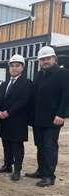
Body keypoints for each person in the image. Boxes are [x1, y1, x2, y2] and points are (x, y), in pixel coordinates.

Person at [25, 46, 69, 187]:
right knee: (40, 146)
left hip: (53, 119)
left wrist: (61, 114)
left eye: (47, 59)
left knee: (49, 147)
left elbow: (66, 96)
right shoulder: (39, 75)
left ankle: (49, 176)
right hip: (39, 118)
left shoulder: (63, 73)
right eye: (42, 59)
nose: (45, 61)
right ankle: (41, 171)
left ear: (54, 59)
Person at [0, 54, 34, 181]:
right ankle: (7, 165)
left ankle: (17, 170)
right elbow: (0, 99)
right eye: (12, 66)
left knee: (17, 146)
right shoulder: (5, 84)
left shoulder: (26, 83)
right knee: (6, 143)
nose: (14, 68)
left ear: (22, 68)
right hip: (4, 120)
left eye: (17, 66)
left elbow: (23, 101)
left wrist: (8, 112)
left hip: (17, 120)